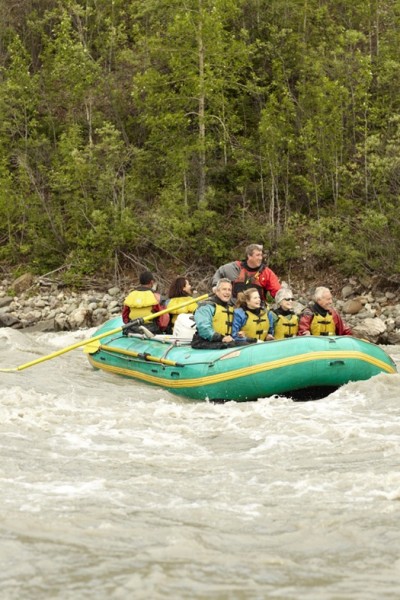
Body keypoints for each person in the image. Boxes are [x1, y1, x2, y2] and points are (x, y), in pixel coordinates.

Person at [191, 278, 252, 349]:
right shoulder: (206, 307)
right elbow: (204, 328)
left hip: (223, 341)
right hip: (204, 342)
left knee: (246, 344)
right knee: (232, 346)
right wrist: (221, 338)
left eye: (229, 290)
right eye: (224, 289)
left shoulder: (231, 308)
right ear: (217, 291)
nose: (227, 292)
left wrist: (239, 334)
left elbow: (234, 329)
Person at [211, 243, 281, 303]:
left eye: (261, 255)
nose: (260, 258)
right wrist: (215, 286)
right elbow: (219, 272)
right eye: (257, 255)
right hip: (234, 307)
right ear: (249, 256)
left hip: (256, 310)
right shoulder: (235, 267)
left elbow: (278, 292)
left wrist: (284, 301)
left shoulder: (267, 273)